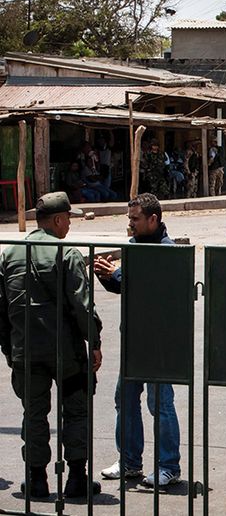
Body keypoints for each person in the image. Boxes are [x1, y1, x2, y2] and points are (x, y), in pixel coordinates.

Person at [0, 192, 103, 498]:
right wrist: (94, 342)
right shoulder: (66, 254)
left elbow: (1, 310)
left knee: (33, 414)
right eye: (68, 219)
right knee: (76, 412)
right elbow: (83, 306)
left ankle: (36, 480)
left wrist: (10, 349)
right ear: (57, 220)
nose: (69, 225)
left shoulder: (10, 254)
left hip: (26, 353)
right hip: (66, 353)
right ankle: (75, 479)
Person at [94, 194, 183, 488]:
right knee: (126, 400)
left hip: (158, 344)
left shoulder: (167, 251)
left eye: (135, 219)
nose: (130, 225)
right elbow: (128, 289)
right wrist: (107, 276)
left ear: (153, 219)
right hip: (133, 339)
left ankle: (169, 466)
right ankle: (130, 462)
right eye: (129, 218)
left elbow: (155, 290)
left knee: (161, 404)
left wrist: (118, 274)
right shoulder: (133, 247)